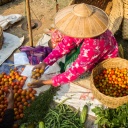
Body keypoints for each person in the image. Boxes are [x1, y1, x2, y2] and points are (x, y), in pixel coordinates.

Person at [29, 3, 118, 87]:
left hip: (103, 58)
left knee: (76, 68)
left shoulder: (94, 45)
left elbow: (74, 72)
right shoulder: (81, 28)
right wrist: (45, 63)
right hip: (96, 48)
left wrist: (45, 82)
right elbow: (64, 46)